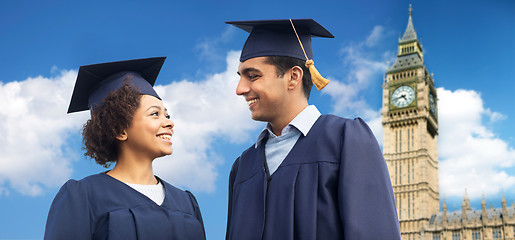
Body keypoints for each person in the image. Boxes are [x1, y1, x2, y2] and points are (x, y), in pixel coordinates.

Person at [225, 19, 401, 239]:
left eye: (253, 76)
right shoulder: (242, 167)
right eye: (240, 77)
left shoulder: (345, 140)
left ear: (293, 77)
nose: (240, 89)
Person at [44, 57, 206, 240]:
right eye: (155, 114)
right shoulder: (83, 196)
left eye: (167, 115)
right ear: (120, 129)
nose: (169, 123)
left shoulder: (186, 202)